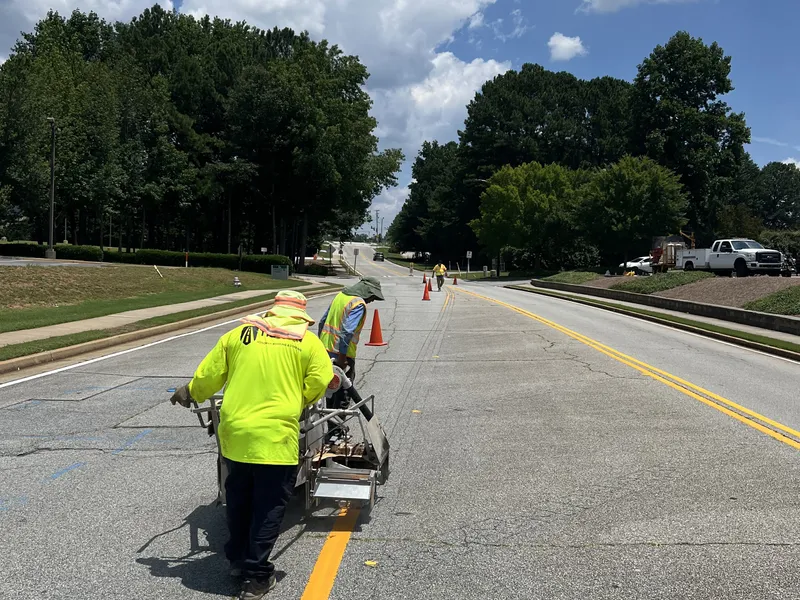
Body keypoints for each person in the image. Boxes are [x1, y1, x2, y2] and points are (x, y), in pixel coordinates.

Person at [169, 290, 333, 600]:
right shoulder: (307, 342)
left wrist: (190, 391)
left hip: (236, 436)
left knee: (239, 497)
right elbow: (320, 380)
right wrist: (298, 400)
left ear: (272, 310)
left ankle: (236, 559)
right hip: (275, 439)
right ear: (300, 314)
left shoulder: (237, 335)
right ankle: (257, 576)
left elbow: (210, 376)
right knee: (268, 507)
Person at [317, 276, 384, 410]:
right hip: (343, 356)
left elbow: (322, 322)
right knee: (343, 394)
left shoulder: (340, 296)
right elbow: (347, 333)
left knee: (331, 391)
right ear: (367, 291)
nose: (371, 300)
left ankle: (331, 426)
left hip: (326, 352)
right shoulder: (358, 304)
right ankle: (337, 429)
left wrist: (320, 347)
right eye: (372, 296)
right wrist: (342, 359)